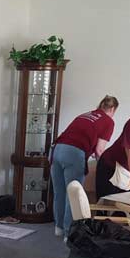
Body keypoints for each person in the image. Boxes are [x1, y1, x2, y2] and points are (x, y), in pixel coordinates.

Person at [51, 95, 118, 237]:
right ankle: (69, 234)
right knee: (73, 195)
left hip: (56, 150)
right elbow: (99, 150)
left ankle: (59, 228)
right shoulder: (108, 121)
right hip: (74, 153)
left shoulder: (85, 115)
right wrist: (105, 167)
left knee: (59, 192)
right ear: (112, 109)